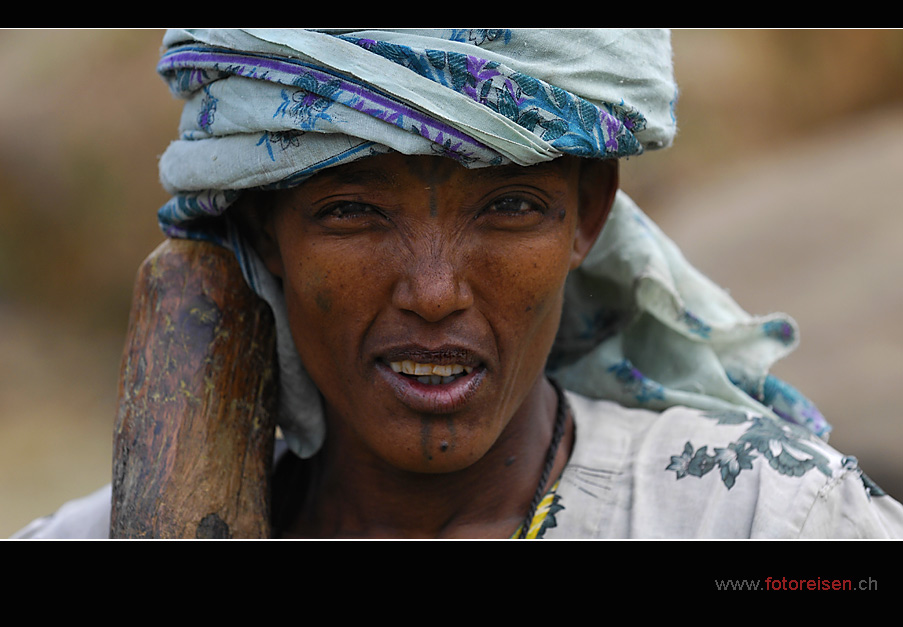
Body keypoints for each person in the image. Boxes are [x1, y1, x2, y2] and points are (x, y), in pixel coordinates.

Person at [14, 28, 903, 538]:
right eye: (353, 213)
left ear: (586, 214)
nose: (434, 292)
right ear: (261, 227)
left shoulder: (766, 520)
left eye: (510, 206)